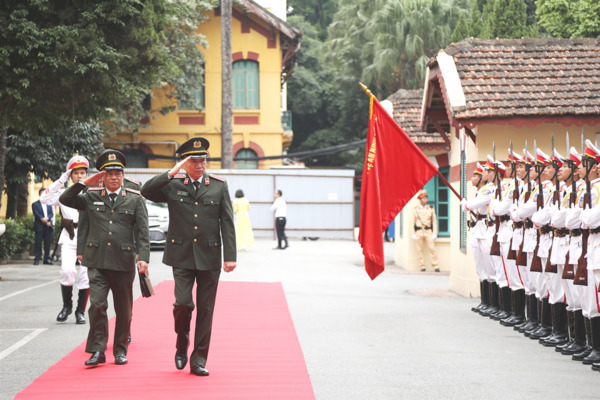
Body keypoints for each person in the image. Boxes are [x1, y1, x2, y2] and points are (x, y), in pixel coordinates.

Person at [141, 136, 236, 377]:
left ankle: (199, 359)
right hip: (181, 255)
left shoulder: (218, 185)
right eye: (194, 161)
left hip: (210, 255)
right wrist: (172, 172)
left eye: (203, 160)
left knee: (206, 309)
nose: (200, 165)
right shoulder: (174, 184)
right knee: (183, 304)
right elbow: (146, 191)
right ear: (185, 163)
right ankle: (181, 344)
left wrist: (230, 255)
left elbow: (227, 221)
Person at [59, 149, 150, 367]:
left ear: (123, 175)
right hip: (97, 260)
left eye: (118, 173)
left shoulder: (135, 200)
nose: (114, 177)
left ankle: (120, 349)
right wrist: (85, 182)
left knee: (123, 309)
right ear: (103, 177)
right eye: (109, 174)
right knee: (97, 305)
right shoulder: (91, 196)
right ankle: (98, 350)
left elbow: (143, 231)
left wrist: (143, 257)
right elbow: (65, 198)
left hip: (123, 261)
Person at [40, 156, 90, 324]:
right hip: (69, 235)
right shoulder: (62, 194)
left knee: (85, 275)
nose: (80, 176)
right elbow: (44, 199)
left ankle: (80, 311)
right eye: (76, 173)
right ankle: (67, 306)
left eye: (83, 172)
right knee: (67, 271)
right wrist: (62, 179)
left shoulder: (92, 193)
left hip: (88, 237)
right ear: (71, 175)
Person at [411, 190, 439, 272]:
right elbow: (412, 222)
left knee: (432, 248)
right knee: (419, 250)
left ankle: (435, 265)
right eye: (424, 198)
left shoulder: (430, 208)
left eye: (426, 198)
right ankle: (422, 266)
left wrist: (434, 233)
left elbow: (434, 222)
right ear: (420, 199)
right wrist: (412, 234)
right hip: (419, 231)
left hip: (428, 231)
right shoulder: (415, 209)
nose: (426, 200)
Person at [32, 188, 54, 265]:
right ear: (39, 194)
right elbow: (36, 214)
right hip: (39, 226)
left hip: (48, 226)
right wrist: (44, 220)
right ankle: (37, 259)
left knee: (47, 243)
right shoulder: (35, 204)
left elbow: (51, 214)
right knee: (38, 242)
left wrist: (47, 219)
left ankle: (46, 259)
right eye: (42, 193)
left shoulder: (49, 204)